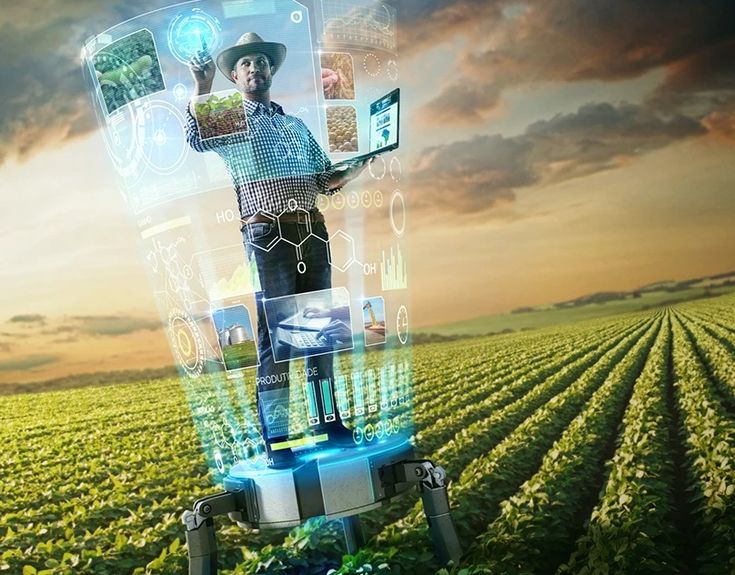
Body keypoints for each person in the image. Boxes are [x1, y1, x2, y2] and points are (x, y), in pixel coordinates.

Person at [185, 33, 369, 468]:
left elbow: (325, 180)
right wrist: (202, 84)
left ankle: (328, 425)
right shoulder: (231, 117)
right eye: (246, 62)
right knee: (277, 346)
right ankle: (279, 440)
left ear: (271, 70)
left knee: (320, 339)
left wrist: (356, 168)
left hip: (311, 232)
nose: (255, 68)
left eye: (262, 61)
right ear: (235, 74)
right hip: (268, 238)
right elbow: (195, 137)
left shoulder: (294, 126)